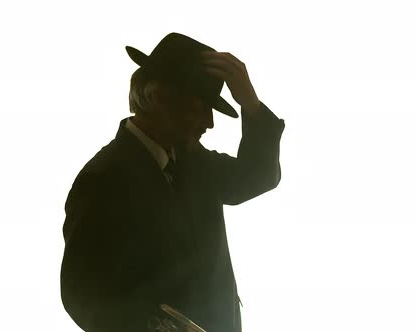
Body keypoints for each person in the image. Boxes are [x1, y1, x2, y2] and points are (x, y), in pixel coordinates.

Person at [60, 32, 286, 332]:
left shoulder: (195, 162)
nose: (210, 122)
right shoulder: (102, 179)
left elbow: (256, 175)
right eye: (200, 105)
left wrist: (251, 104)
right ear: (156, 95)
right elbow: (83, 294)